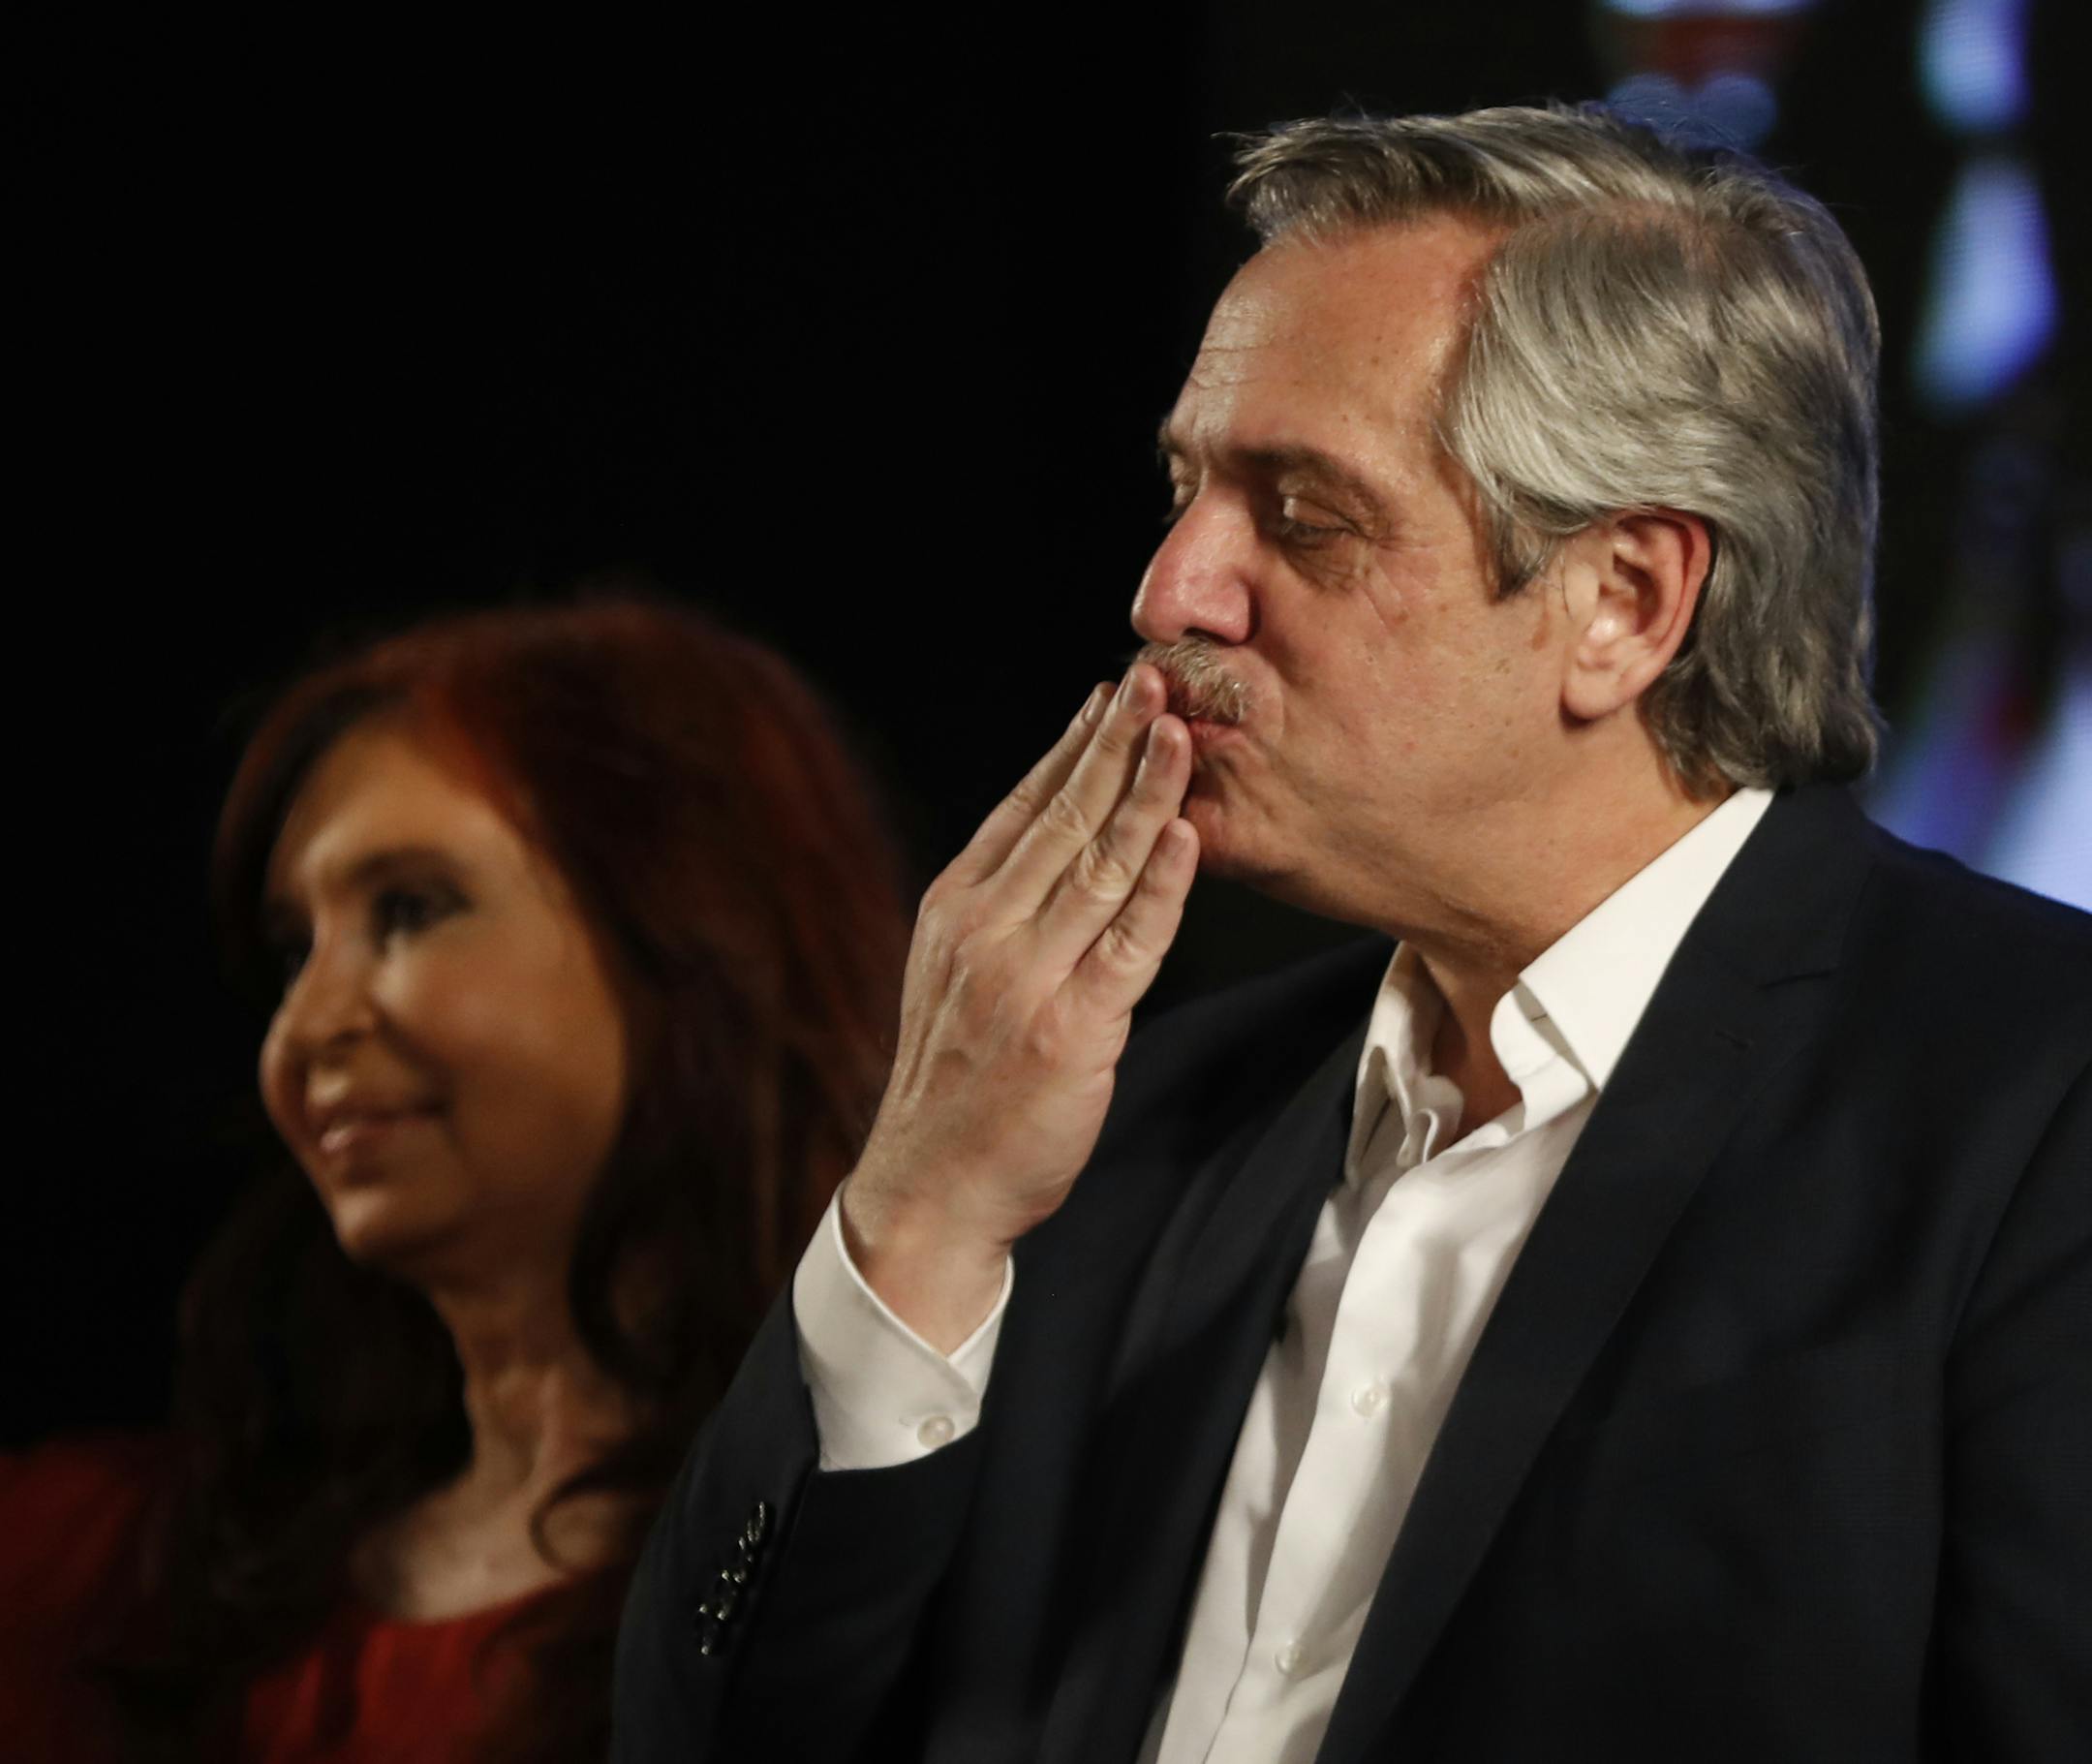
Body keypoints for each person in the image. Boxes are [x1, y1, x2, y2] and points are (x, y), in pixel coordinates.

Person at [611, 106, 2092, 1762]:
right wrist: (921, 1208)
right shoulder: (1121, 1125)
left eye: (1301, 511)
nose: (1174, 590)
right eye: (1183, 487)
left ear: (1627, 603)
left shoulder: (2035, 1112)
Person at [0, 596, 908, 1761]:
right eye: (294, 949)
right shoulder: (91, 1577)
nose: (305, 1028)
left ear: (691, 941)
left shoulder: (879, 1557)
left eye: (409, 910)